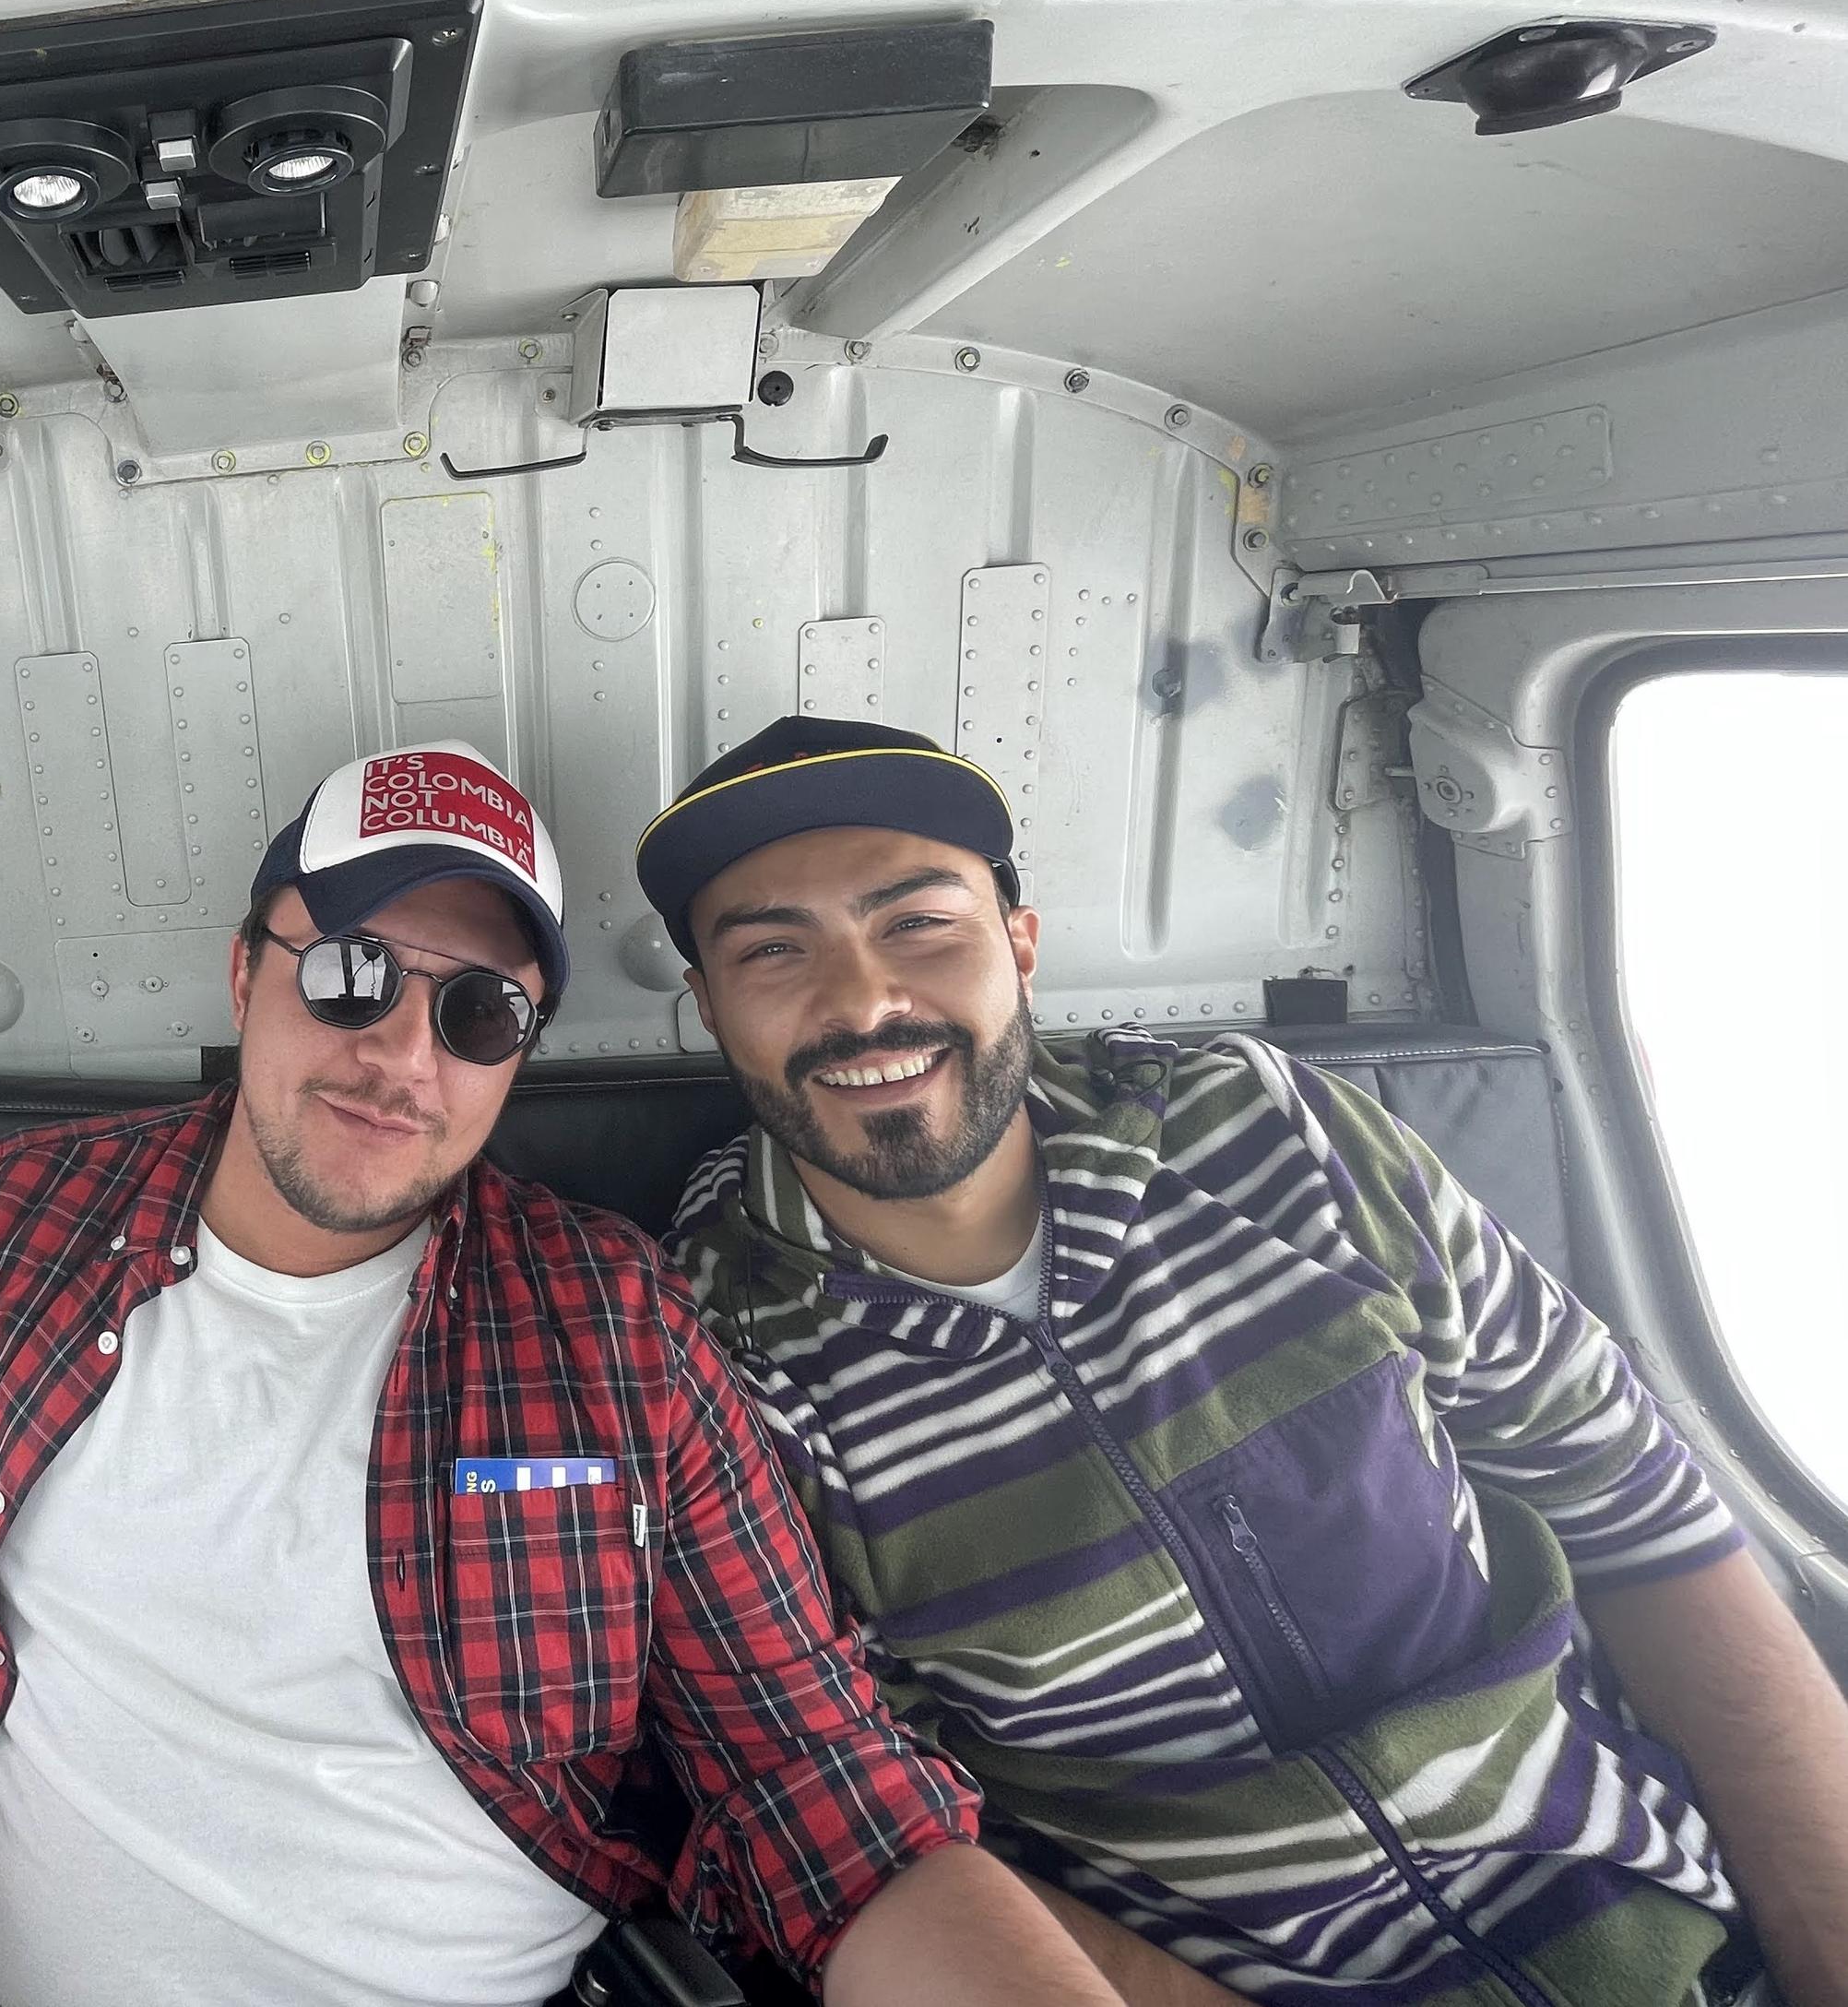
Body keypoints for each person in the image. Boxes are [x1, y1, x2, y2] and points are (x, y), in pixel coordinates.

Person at [0, 741, 1122, 2007]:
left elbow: (829, 1795)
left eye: (477, 1008)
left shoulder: (619, 1327)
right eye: (347, 969)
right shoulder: (10, 1233)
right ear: (245, 967)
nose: (401, 1048)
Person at [634, 713, 1848, 2007]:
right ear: (709, 1009)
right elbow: (889, 1820)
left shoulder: (1264, 1131)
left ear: (1022, 947)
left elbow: (1632, 1503)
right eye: (773, 951)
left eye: (920, 923)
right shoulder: (713, 1341)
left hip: (1669, 1929)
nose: (865, 1000)